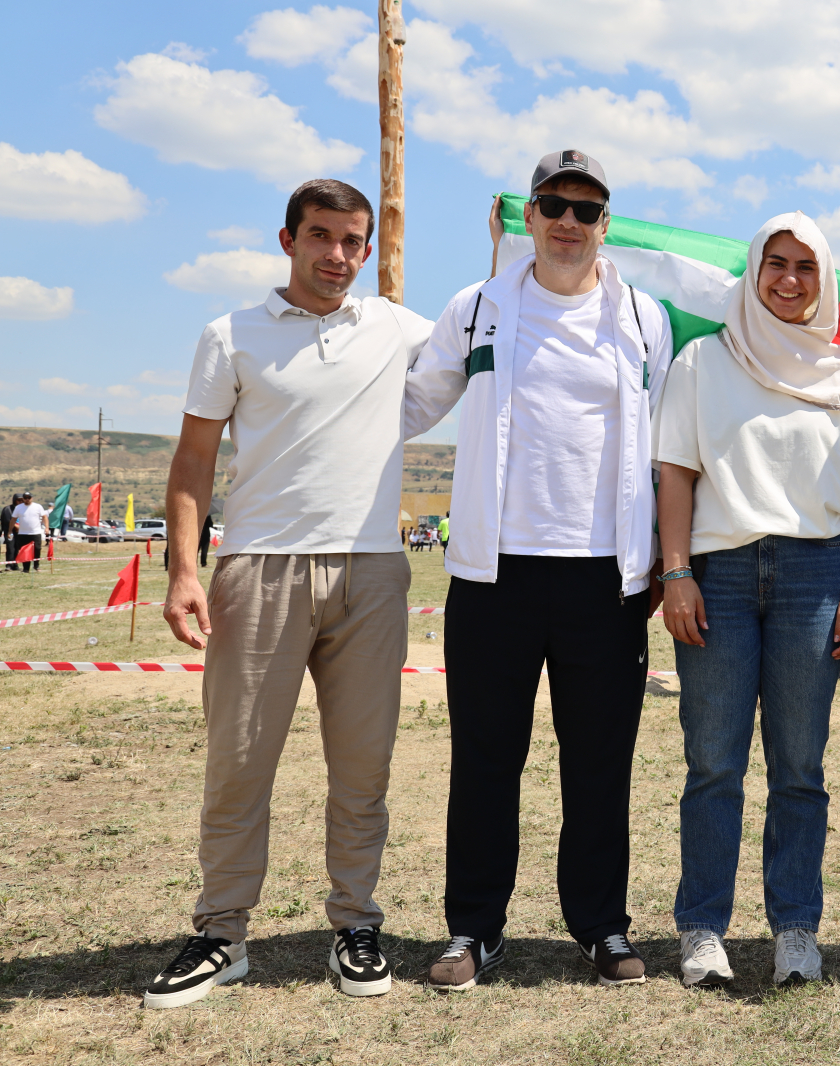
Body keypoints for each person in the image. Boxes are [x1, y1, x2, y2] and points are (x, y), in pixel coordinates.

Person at [146, 178, 433, 1010]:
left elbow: (495, 330)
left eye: (353, 241)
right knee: (239, 762)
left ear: (369, 248)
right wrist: (184, 570)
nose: (337, 255)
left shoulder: (397, 327)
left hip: (372, 570)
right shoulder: (230, 335)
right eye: (320, 236)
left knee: (364, 765)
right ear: (289, 240)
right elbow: (193, 462)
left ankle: (357, 925)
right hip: (260, 568)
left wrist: (503, 244)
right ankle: (221, 933)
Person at [404, 149, 672, 990]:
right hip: (494, 574)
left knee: (599, 763)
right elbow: (411, 403)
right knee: (486, 759)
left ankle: (601, 927)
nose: (568, 222)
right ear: (528, 215)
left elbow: (668, 441)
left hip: (605, 579)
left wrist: (665, 561)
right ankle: (473, 929)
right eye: (553, 205)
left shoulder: (643, 319)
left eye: (586, 210)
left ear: (605, 225)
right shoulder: (477, 308)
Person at [655, 212, 840, 988]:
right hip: (717, 577)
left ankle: (795, 928)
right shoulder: (702, 362)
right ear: (754, 271)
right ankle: (702, 929)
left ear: (824, 279)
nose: (790, 280)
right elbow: (676, 474)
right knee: (713, 764)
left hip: (813, 580)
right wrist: (677, 574)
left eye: (806, 267)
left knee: (799, 768)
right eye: (777, 264)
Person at [12, 491, 47, 573]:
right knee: (24, 551)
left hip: (36, 532)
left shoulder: (38, 506)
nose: (27, 499)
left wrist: (47, 528)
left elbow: (44, 517)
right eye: (25, 498)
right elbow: (13, 519)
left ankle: (36, 565)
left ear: (32, 498)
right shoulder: (18, 507)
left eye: (29, 498)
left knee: (37, 549)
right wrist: (10, 530)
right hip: (23, 533)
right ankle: (26, 568)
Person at [1, 494, 18, 572]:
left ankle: (15, 564)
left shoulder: (21, 509)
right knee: (11, 548)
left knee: (17, 548)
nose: (20, 502)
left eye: (22, 500)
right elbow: (8, 521)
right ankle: (9, 565)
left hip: (19, 532)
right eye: (19, 500)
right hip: (10, 532)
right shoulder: (8, 509)